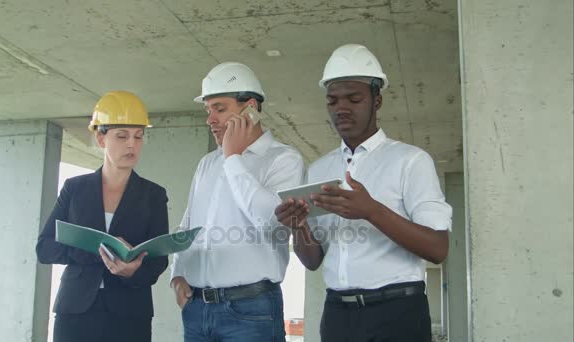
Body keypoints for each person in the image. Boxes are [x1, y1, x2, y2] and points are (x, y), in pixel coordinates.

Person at [275, 44, 452, 342]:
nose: (341, 108)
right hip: (338, 316)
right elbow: (313, 260)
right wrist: (299, 226)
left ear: (377, 100)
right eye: (332, 101)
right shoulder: (319, 169)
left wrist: (371, 210)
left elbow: (437, 248)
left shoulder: (411, 161)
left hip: (398, 314)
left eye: (353, 98)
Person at [170, 62, 305, 341]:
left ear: (251, 108)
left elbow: (271, 223)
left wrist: (233, 159)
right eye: (208, 110)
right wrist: (177, 272)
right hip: (197, 310)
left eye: (220, 108)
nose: (210, 119)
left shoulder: (284, 160)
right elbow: (188, 224)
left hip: (250, 311)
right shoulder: (206, 164)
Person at [36, 91, 169, 342]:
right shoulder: (74, 188)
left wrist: (131, 271)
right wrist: (97, 251)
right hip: (75, 311)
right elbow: (44, 248)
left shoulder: (153, 195)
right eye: (122, 136)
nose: (132, 144)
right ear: (100, 138)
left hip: (130, 314)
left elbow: (158, 261)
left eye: (138, 136)